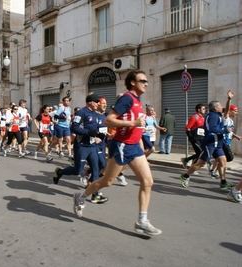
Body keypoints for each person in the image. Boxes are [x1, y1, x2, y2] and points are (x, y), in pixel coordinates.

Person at [72, 70, 162, 236]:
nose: (146, 83)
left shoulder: (137, 100)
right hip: (122, 146)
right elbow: (109, 120)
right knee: (107, 181)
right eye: (142, 80)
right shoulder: (127, 98)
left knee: (148, 182)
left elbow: (138, 127)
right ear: (133, 82)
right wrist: (133, 122)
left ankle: (142, 221)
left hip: (134, 146)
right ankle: (81, 197)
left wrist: (140, 143)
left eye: (147, 81)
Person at [53, 93, 108, 204]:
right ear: (90, 102)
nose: (98, 104)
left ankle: (95, 195)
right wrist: (89, 133)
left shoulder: (96, 114)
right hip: (81, 146)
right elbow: (74, 127)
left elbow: (98, 128)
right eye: (97, 102)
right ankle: (60, 172)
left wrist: (101, 135)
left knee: (96, 169)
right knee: (78, 170)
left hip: (92, 146)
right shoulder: (81, 112)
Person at [179, 91, 234, 190]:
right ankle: (185, 176)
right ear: (215, 108)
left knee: (223, 161)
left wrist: (229, 99)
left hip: (218, 144)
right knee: (201, 163)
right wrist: (225, 130)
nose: (222, 107)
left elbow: (227, 110)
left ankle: (223, 182)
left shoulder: (218, 114)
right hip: (210, 143)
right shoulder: (212, 116)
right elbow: (211, 129)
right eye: (220, 105)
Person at [181, 103, 206, 168]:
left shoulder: (203, 118)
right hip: (195, 139)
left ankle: (186, 160)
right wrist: (191, 137)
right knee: (200, 153)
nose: (205, 110)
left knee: (200, 153)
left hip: (201, 138)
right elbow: (187, 128)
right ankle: (192, 167)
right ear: (199, 110)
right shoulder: (194, 117)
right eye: (203, 109)